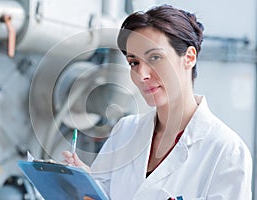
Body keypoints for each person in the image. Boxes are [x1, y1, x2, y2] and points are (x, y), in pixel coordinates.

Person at [63, 4, 252, 199]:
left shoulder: (227, 151)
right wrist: (86, 183)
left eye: (155, 57)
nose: (141, 74)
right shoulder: (125, 131)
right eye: (134, 63)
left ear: (189, 58)